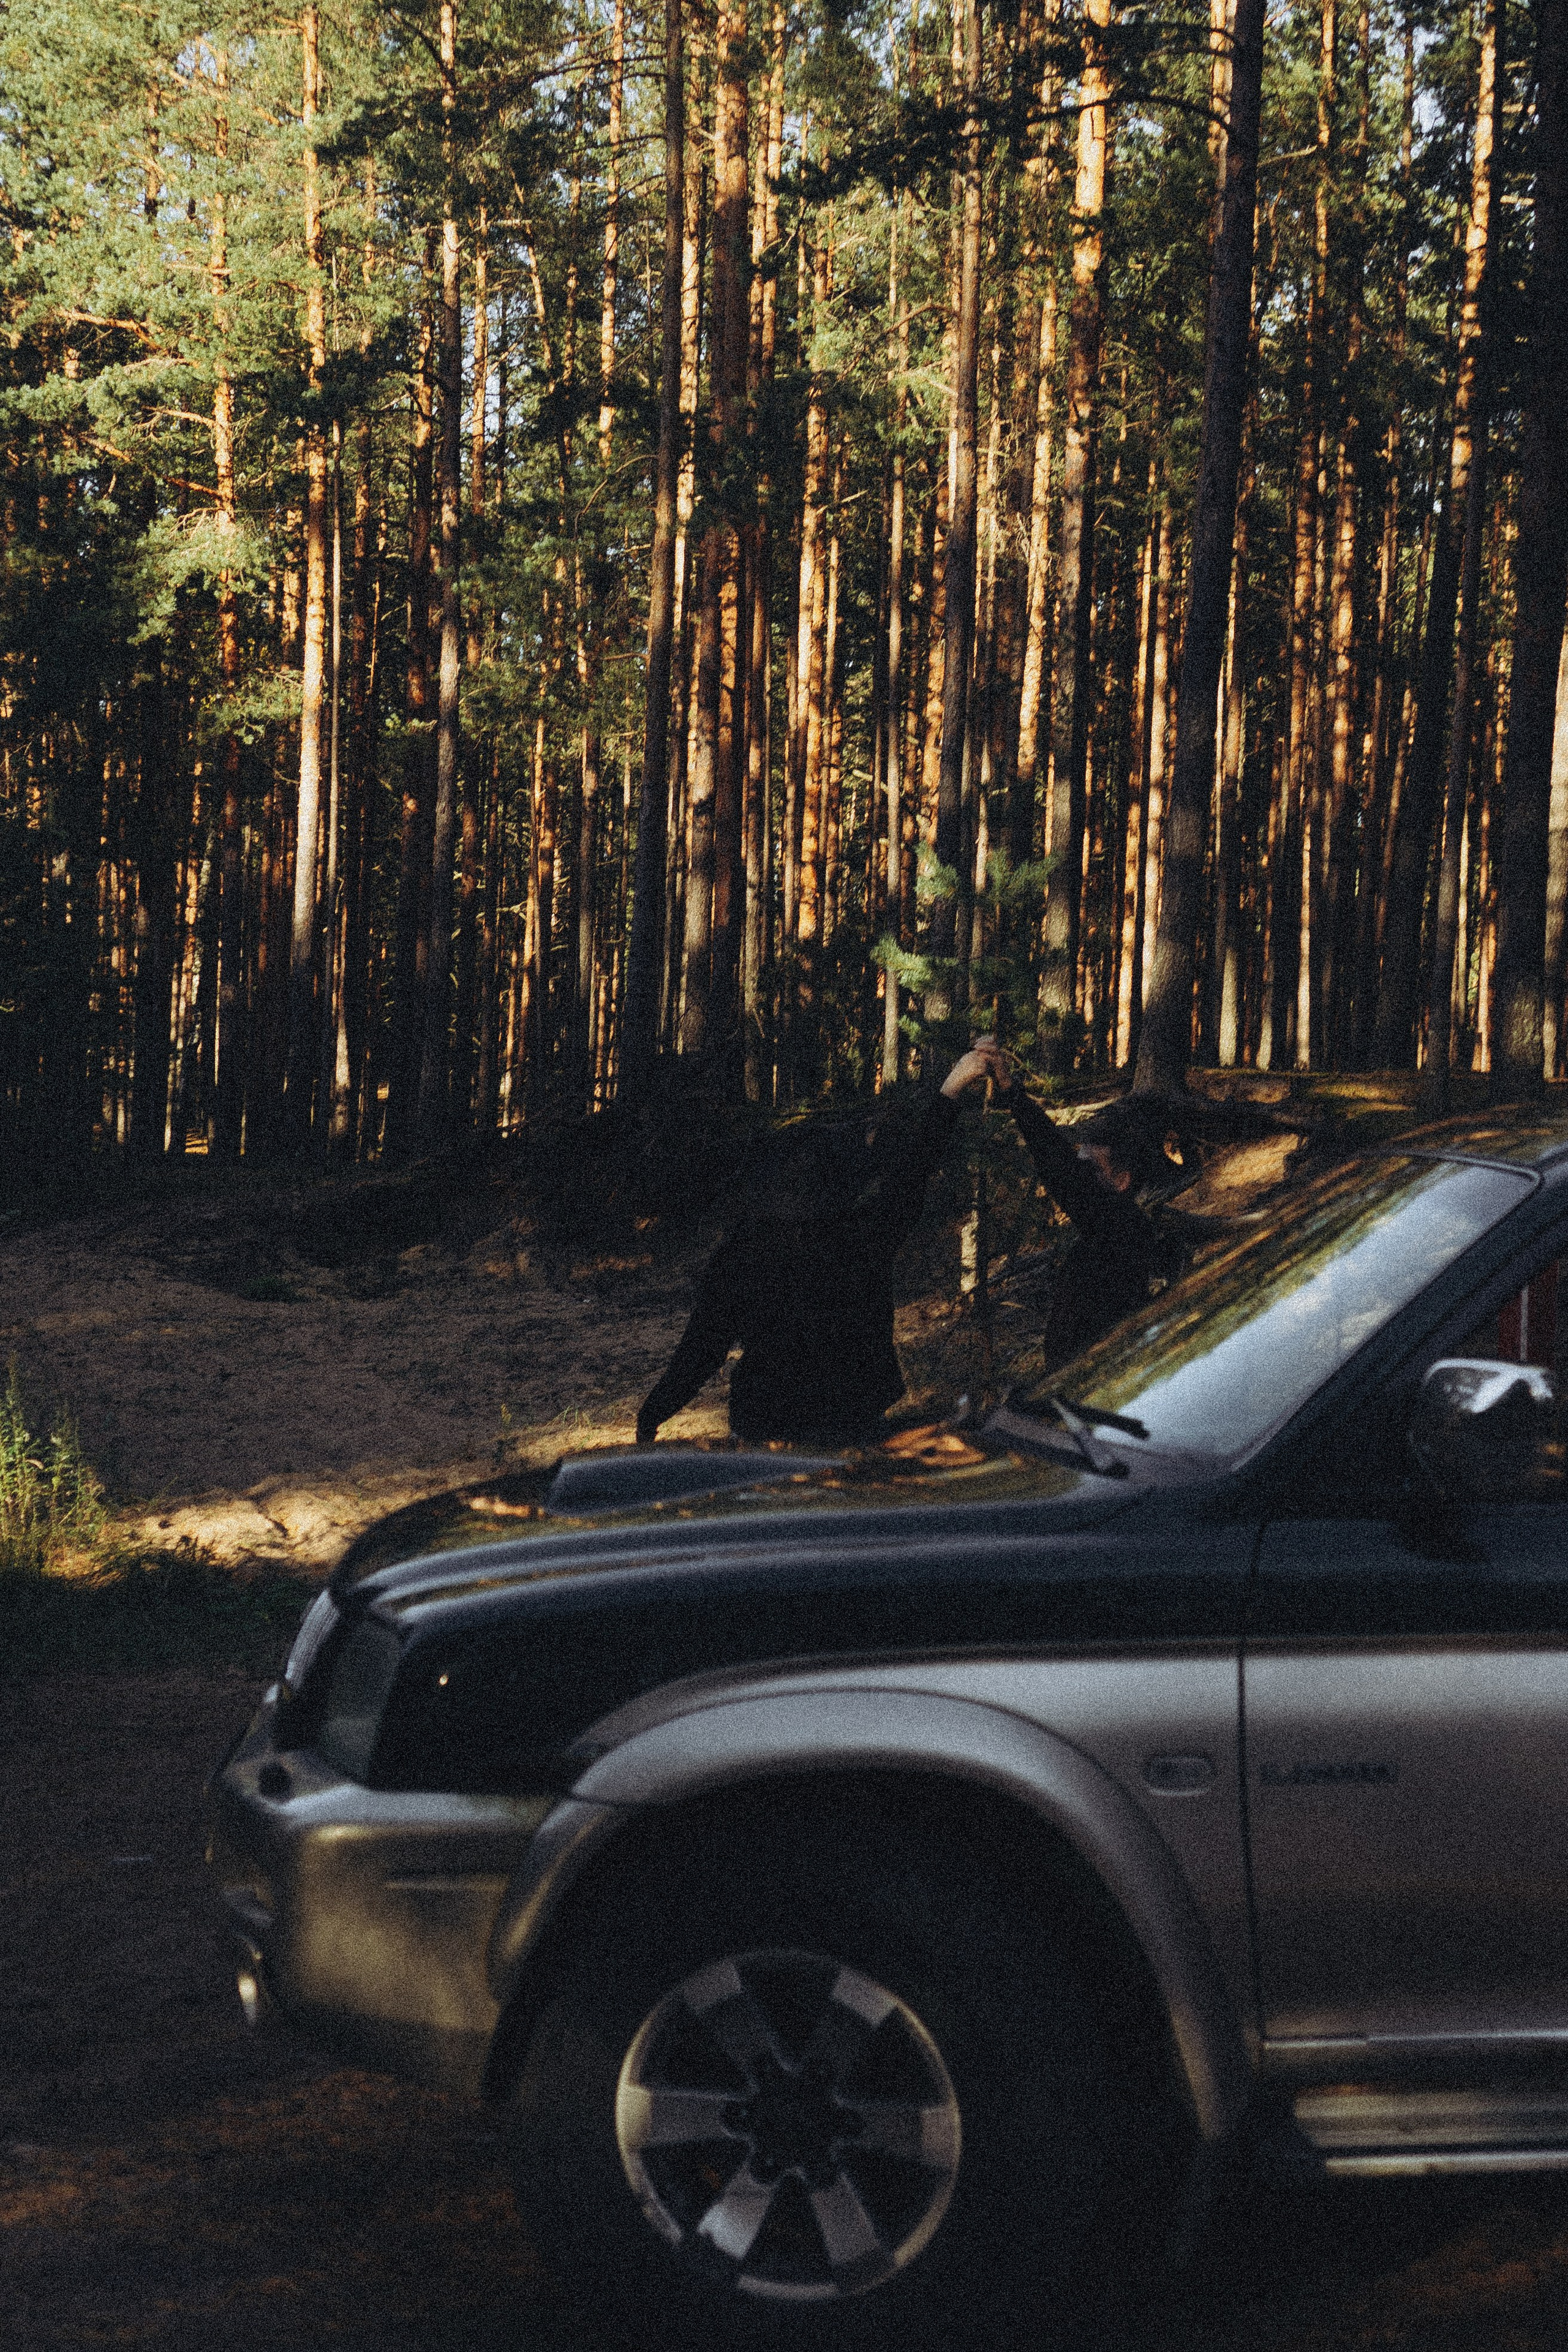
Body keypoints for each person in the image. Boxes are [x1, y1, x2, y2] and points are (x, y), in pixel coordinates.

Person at [636, 1044, 998, 1448]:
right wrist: (952, 1087)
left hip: (776, 1426)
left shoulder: (748, 1249)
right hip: (844, 1423)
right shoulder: (863, 1234)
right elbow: (915, 1167)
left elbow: (702, 1348)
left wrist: (653, 1415)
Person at [974, 1040, 1186, 1368]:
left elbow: (1058, 1164)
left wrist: (1012, 1092)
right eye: (1080, 1161)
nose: (1080, 1169)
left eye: (1089, 1167)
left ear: (1122, 1180)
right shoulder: (1119, 1229)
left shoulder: (1117, 1228)